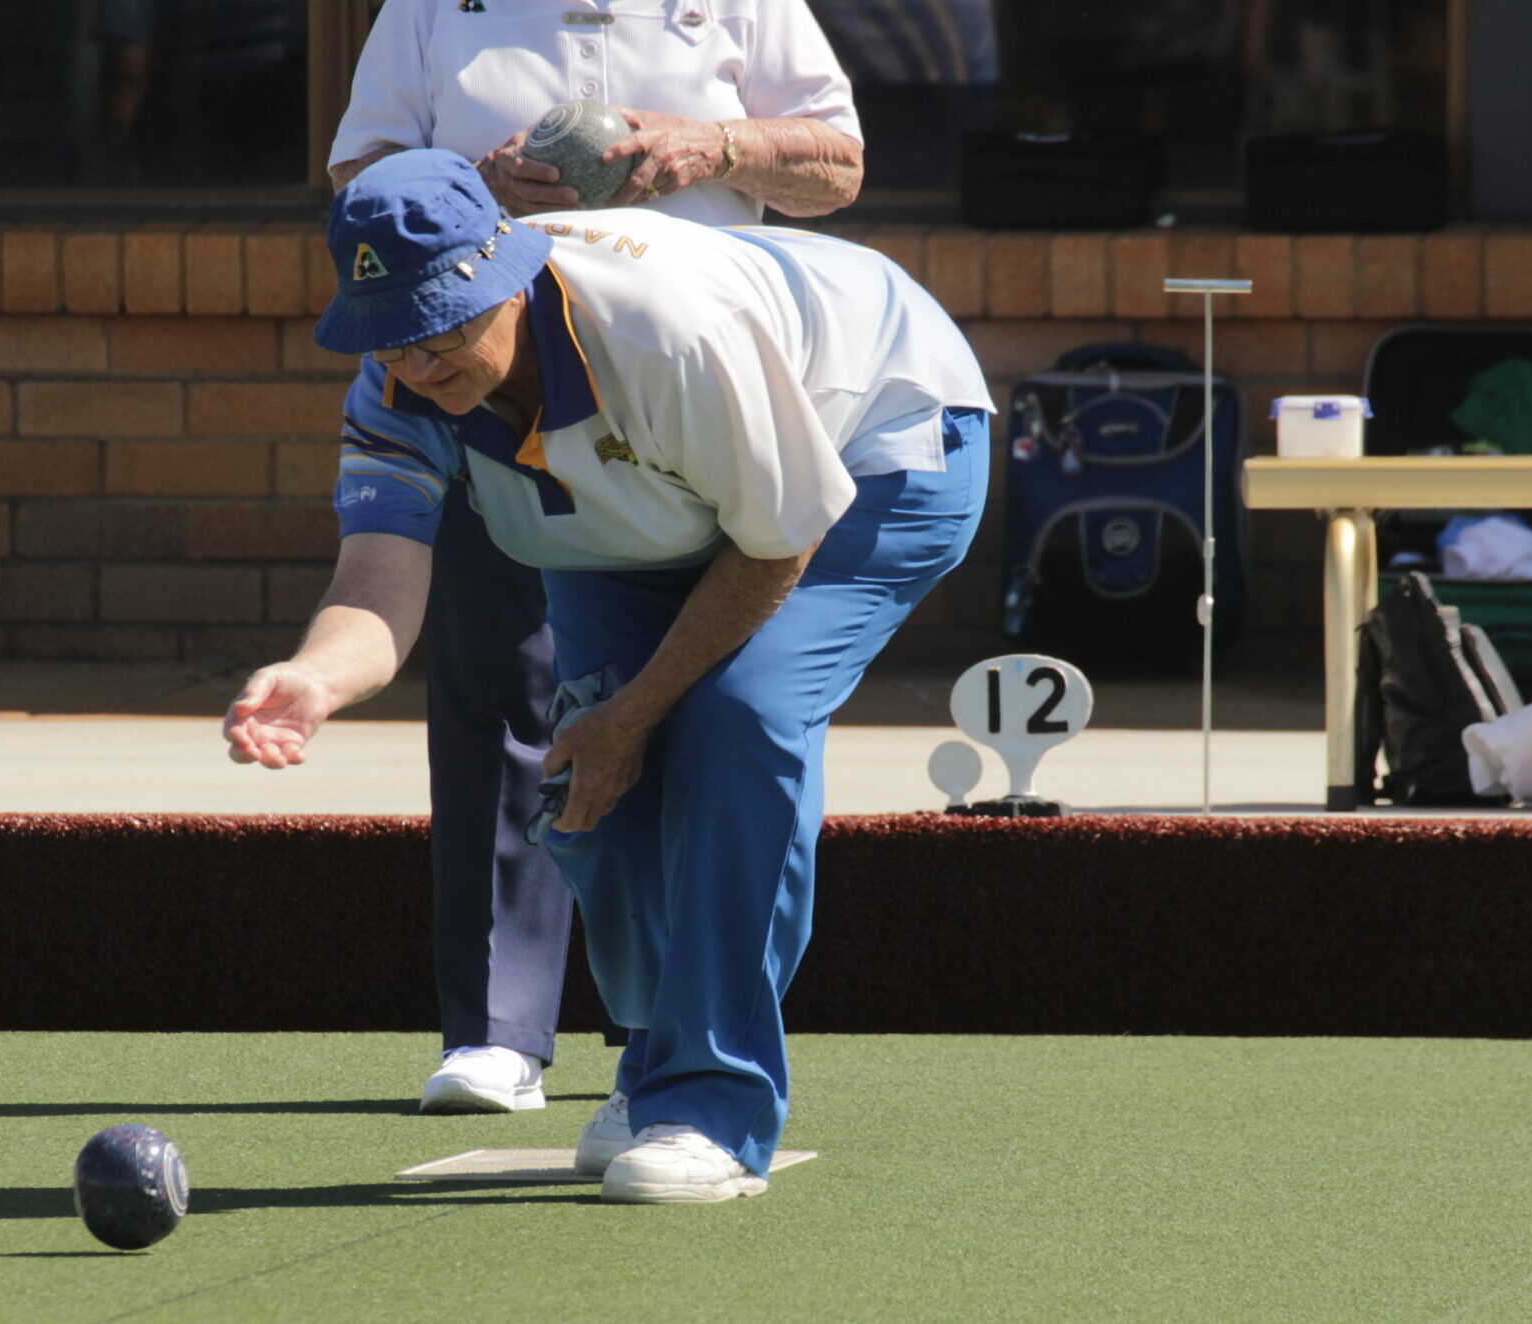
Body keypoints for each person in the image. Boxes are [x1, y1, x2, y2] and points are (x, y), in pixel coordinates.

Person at [224, 151, 989, 1201]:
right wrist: (316, 676)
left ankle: (712, 1106)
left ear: (510, 272)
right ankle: (652, 1059)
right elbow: (378, 576)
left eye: (444, 320)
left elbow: (774, 543)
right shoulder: (398, 388)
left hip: (876, 445)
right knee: (592, 773)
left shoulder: (664, 332)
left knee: (735, 719)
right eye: (394, 331)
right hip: (639, 517)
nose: (423, 357)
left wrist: (639, 710)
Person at [325, 0, 864, 1117]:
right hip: (489, 357)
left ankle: (658, 1039)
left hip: (692, 402)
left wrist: (711, 146)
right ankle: (495, 1032)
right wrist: (475, 194)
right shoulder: (430, 8)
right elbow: (363, 181)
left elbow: (839, 164)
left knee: (683, 708)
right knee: (494, 686)